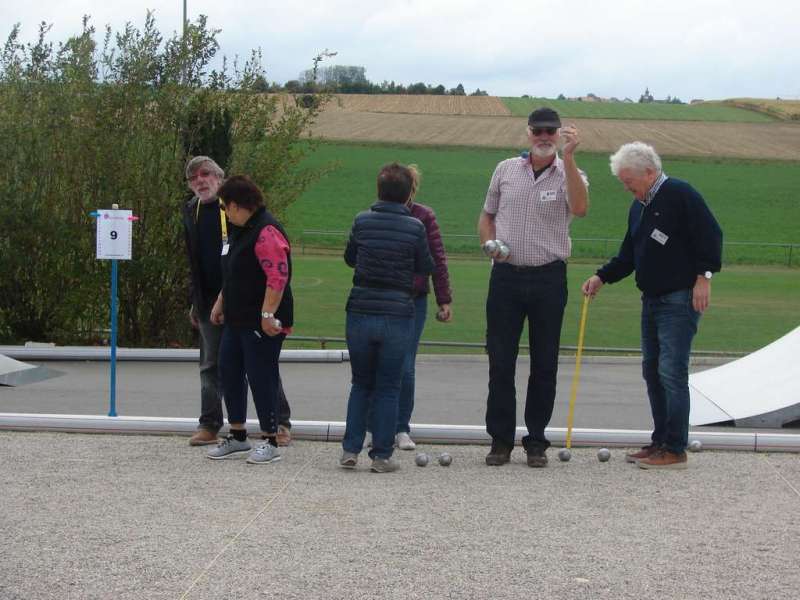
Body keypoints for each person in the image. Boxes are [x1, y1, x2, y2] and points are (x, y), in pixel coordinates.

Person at [582, 142, 722, 469]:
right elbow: (629, 254)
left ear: (649, 171)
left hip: (679, 298)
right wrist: (602, 277)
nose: (625, 187)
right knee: (652, 371)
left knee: (672, 372)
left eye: (628, 179)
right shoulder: (639, 206)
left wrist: (704, 277)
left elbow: (711, 235)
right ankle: (660, 440)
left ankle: (676, 448)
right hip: (651, 299)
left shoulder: (680, 194)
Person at [478, 107, 589, 467]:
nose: (544, 137)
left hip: (549, 278)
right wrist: (489, 244)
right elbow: (487, 214)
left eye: (551, 132)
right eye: (538, 131)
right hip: (507, 277)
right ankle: (500, 440)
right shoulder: (505, 169)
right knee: (500, 361)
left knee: (545, 362)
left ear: (560, 135)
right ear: (528, 133)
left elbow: (582, 207)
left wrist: (569, 160)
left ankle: (537, 441)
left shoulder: (570, 173)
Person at [182, 156, 292, 447]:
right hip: (215, 300)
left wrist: (267, 313)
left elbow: (276, 274)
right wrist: (202, 301)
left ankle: (277, 424)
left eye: (204, 174)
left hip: (251, 306)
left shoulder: (248, 218)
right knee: (217, 366)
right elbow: (197, 262)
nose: (199, 181)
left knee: (260, 367)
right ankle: (216, 425)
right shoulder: (191, 211)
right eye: (192, 178)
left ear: (219, 177)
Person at [340, 162, 434, 472]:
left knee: (361, 383)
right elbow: (425, 266)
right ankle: (381, 455)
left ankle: (350, 449)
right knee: (389, 385)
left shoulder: (361, 220)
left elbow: (350, 258)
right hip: (397, 312)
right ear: (409, 194)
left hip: (360, 308)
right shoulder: (416, 227)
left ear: (378, 191)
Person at [205, 175, 294, 464]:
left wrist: (268, 314)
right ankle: (238, 434)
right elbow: (233, 272)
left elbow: (278, 276)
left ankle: (270, 438)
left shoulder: (267, 230)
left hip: (262, 321)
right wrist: (220, 302)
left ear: (236, 205)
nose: (224, 213)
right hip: (236, 317)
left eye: (225, 207)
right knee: (229, 371)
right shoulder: (239, 230)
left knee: (261, 375)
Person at [395, 164, 453, 450]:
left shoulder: (424, 216)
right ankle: (374, 424)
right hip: (381, 298)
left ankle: (401, 427)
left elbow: (438, 259)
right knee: (378, 363)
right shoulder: (375, 214)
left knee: (406, 365)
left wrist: (444, 299)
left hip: (413, 299)